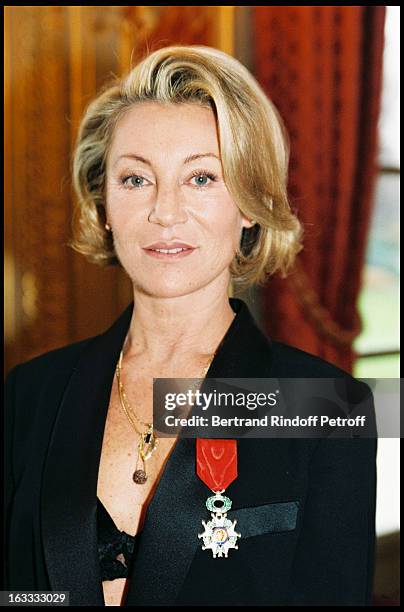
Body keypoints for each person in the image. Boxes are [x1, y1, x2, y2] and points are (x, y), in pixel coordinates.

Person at [4, 45, 377, 607]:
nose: (165, 212)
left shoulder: (329, 404)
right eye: (135, 179)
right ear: (104, 205)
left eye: (202, 177)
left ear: (250, 202)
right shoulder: (27, 395)